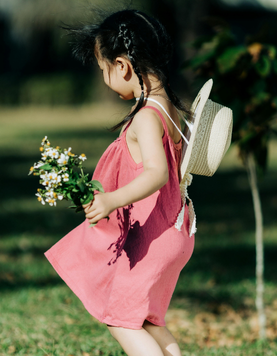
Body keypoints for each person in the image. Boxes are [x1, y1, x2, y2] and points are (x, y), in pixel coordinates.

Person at [44, 9, 194, 356]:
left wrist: (111, 200)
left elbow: (156, 174)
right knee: (148, 320)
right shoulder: (171, 108)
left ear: (123, 66)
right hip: (177, 231)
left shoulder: (146, 116)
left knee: (121, 319)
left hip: (153, 240)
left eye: (102, 69)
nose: (104, 78)